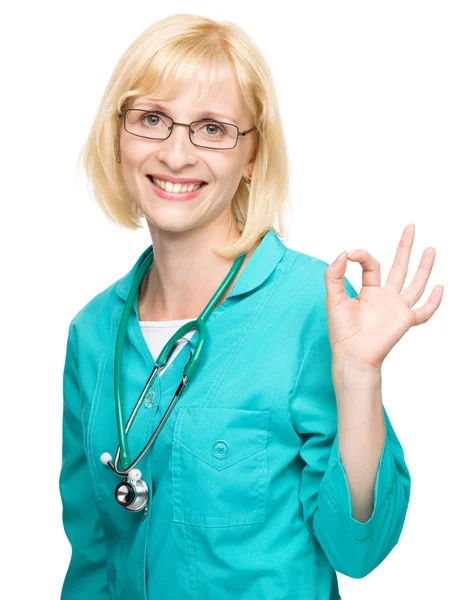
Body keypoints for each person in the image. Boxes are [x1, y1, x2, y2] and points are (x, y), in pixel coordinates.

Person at [59, 13, 442, 600]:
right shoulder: (93, 334)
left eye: (212, 128)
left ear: (254, 155)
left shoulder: (315, 311)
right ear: (120, 134)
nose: (177, 153)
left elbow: (357, 549)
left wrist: (360, 375)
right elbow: (91, 558)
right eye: (153, 119)